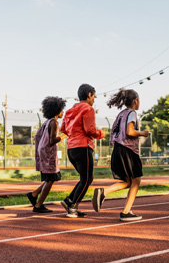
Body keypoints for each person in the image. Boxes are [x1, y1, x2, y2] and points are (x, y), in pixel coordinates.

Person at [92, 89, 149, 222]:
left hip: (117, 149)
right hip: (128, 149)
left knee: (128, 181)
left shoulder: (120, 114)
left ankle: (104, 192)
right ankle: (126, 212)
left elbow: (114, 133)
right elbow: (130, 131)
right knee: (136, 180)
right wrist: (142, 133)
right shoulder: (132, 113)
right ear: (135, 101)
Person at [60, 84, 105, 218]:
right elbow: (89, 130)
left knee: (84, 178)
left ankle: (69, 201)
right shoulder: (88, 109)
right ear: (89, 95)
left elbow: (63, 129)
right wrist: (101, 134)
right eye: (94, 97)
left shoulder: (70, 110)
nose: (94, 100)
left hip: (71, 149)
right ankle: (73, 206)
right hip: (83, 147)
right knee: (87, 179)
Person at [27, 96, 66, 213]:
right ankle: (38, 205)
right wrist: (65, 135)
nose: (62, 112)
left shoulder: (46, 122)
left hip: (44, 152)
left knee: (53, 177)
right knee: (51, 179)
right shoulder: (54, 122)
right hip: (48, 154)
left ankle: (34, 195)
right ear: (56, 110)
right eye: (61, 109)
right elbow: (52, 140)